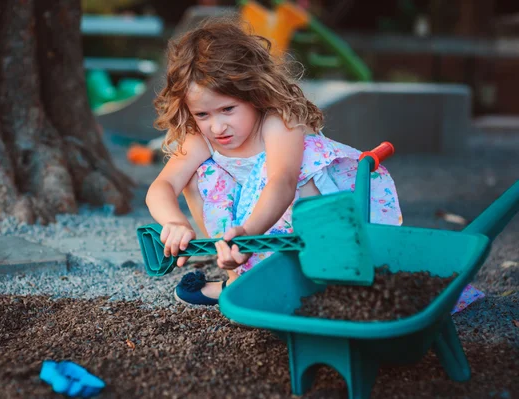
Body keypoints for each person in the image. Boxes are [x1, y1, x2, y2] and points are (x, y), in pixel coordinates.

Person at [146, 18, 402, 306]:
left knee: (293, 167)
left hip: (312, 223)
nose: (217, 128)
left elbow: (282, 182)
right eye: (203, 115)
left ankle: (318, 279)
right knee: (196, 175)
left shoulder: (278, 121)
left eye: (228, 109)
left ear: (254, 94)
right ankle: (238, 278)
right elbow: (163, 185)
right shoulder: (202, 138)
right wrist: (174, 222)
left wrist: (249, 234)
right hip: (251, 229)